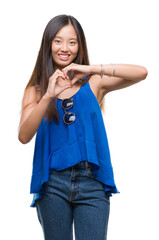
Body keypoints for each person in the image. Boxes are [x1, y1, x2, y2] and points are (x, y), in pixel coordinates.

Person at [18, 14, 148, 240]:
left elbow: (141, 72)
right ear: (48, 43)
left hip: (93, 181)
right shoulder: (37, 90)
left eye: (72, 41)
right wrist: (49, 95)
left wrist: (90, 69)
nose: (64, 48)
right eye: (58, 40)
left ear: (80, 45)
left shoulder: (94, 82)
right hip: (53, 184)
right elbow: (24, 135)